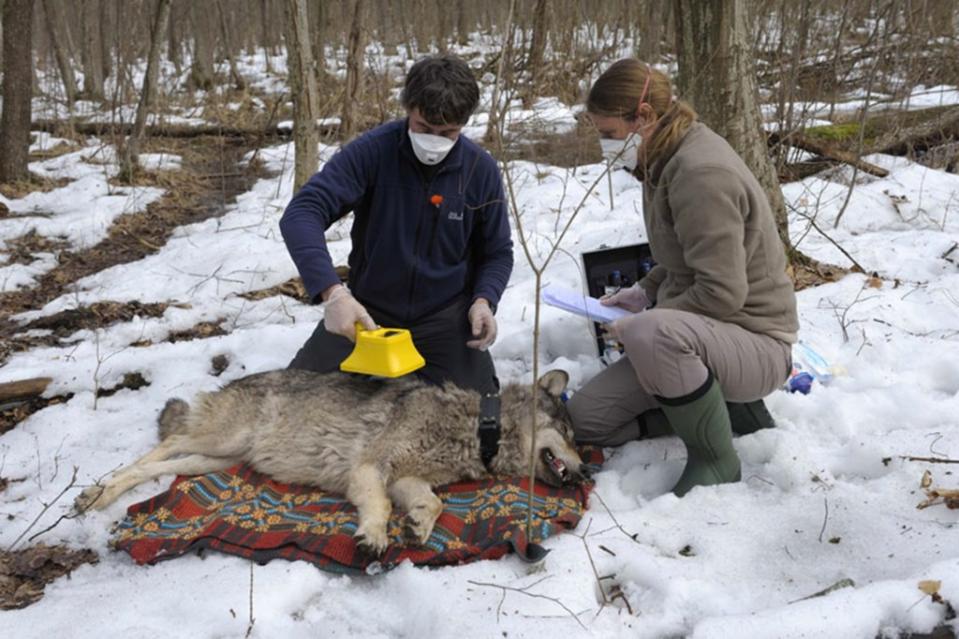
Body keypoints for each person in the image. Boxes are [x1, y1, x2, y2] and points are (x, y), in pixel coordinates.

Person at [567, 59, 799, 496]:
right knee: (587, 419)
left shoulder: (699, 172)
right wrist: (643, 292)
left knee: (654, 335)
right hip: (705, 334)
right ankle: (728, 413)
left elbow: (722, 291)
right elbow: (686, 261)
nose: (605, 144)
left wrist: (645, 326)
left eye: (609, 133)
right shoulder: (661, 156)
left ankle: (715, 459)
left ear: (644, 117)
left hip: (756, 340)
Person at [280, 55, 513, 395]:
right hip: (368, 316)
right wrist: (333, 293)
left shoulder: (481, 170)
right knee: (291, 401)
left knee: (480, 416)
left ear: (465, 123)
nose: (434, 141)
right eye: (423, 128)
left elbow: (497, 252)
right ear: (408, 109)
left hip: (445, 319)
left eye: (447, 132)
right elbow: (302, 212)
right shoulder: (373, 152)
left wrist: (483, 300)